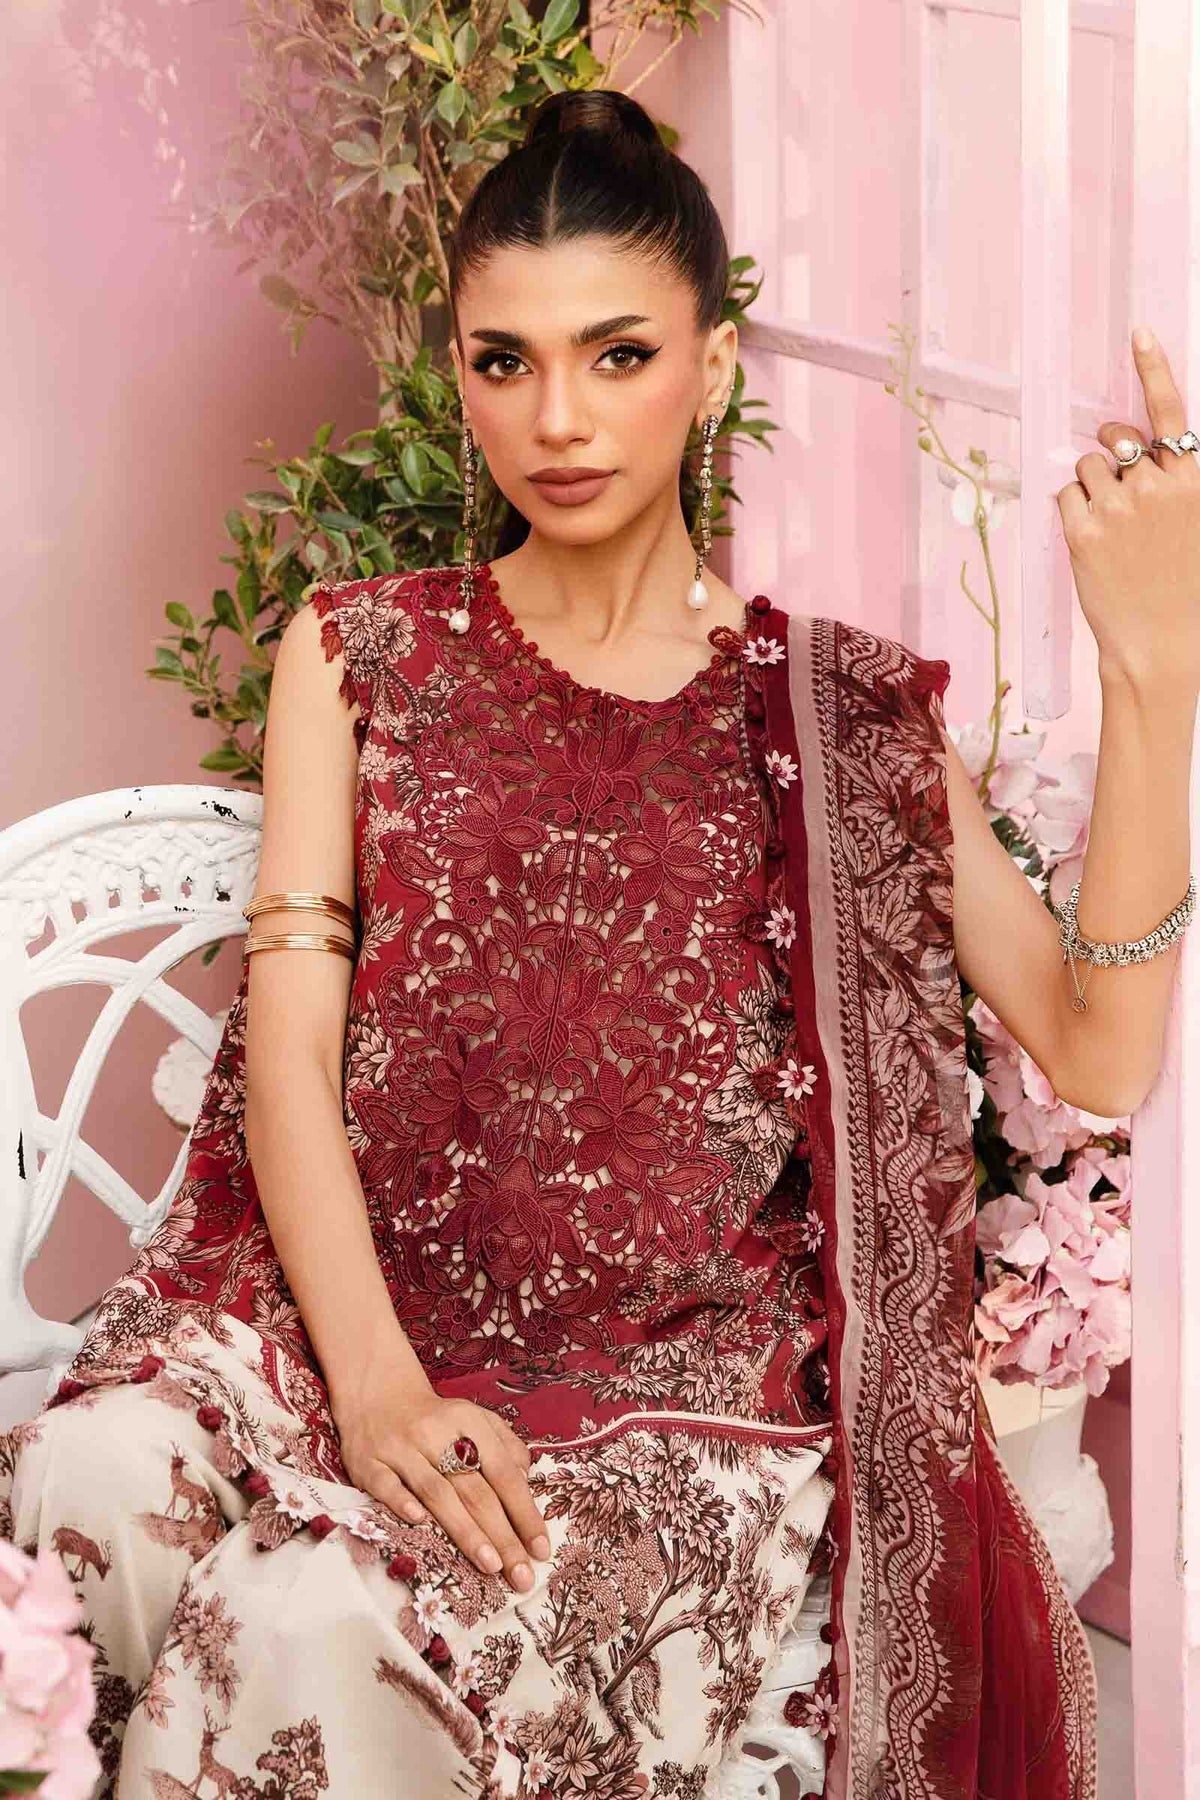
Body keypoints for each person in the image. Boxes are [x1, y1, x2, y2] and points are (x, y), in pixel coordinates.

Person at [3, 84, 1194, 1800]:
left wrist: (1154, 665)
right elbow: (292, 1065)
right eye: (507, 361)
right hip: (342, 1316)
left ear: (712, 366)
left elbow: (1097, 1046)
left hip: (667, 1402)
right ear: (462, 372)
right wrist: (377, 1388)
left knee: (305, 1616)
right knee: (90, 1480)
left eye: (618, 355)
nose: (555, 419)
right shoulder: (360, 655)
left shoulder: (833, 715)